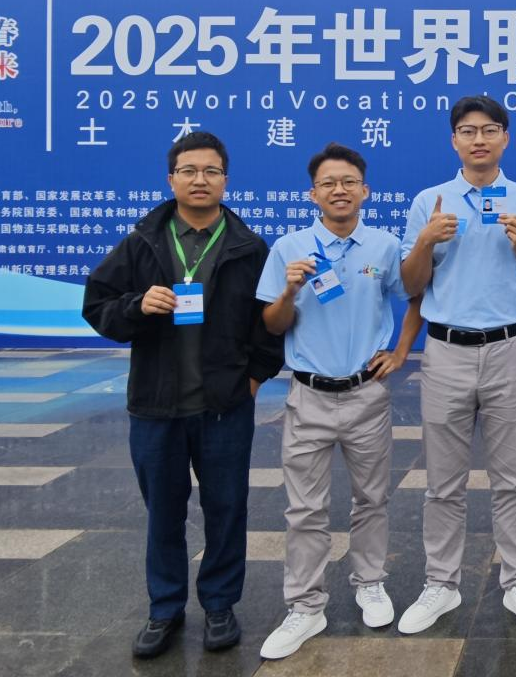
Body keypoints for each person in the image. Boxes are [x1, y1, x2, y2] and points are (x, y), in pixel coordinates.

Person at [83, 132, 283, 658]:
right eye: (189, 170)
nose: (200, 180)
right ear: (171, 178)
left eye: (211, 171)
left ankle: (219, 604)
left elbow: (268, 324)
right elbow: (97, 306)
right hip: (156, 406)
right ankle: (165, 609)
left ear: (225, 180)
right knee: (163, 513)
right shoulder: (142, 242)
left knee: (227, 508)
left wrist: (255, 379)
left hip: (224, 407)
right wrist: (135, 305)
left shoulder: (249, 248)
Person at [398, 96, 516, 635]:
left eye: (490, 130)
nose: (479, 139)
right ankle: (441, 583)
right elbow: (411, 285)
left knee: (513, 477)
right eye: (468, 131)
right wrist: (425, 241)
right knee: (443, 481)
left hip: (509, 348)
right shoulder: (430, 202)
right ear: (454, 141)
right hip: (445, 350)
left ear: (505, 138)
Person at [255, 142, 420, 661]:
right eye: (328, 183)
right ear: (313, 194)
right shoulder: (289, 248)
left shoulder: (385, 246)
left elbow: (416, 297)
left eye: (349, 182)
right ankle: (306, 605)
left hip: (366, 393)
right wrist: (288, 292)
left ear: (365, 191)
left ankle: (370, 582)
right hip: (308, 395)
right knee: (305, 508)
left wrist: (401, 351)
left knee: (372, 498)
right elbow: (272, 324)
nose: (339, 190)